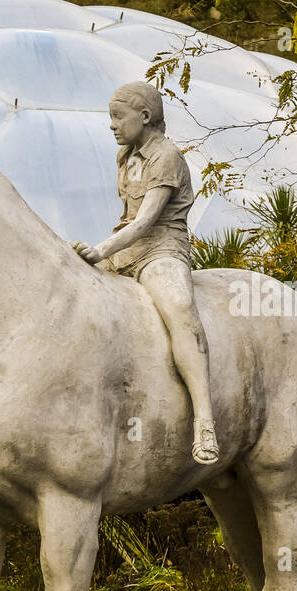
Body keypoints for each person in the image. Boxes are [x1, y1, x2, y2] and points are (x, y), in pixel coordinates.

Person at [70, 81, 219, 465]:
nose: (112, 126)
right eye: (110, 118)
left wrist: (100, 250)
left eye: (119, 117)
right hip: (125, 250)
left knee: (181, 313)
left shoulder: (166, 156)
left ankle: (204, 419)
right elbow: (126, 223)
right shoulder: (125, 155)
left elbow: (145, 221)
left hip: (160, 249)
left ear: (146, 116)